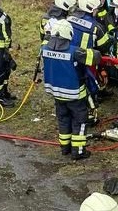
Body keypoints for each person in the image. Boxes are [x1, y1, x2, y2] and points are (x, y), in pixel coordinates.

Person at [42, 19, 100, 160]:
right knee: (79, 122)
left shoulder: (44, 49)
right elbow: (95, 58)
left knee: (63, 120)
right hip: (75, 95)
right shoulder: (74, 52)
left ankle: (65, 148)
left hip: (57, 94)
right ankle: (79, 152)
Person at [68, 0, 112, 123]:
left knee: (72, 85)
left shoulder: (68, 19)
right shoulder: (96, 27)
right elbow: (104, 47)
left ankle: (73, 110)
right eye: (96, 9)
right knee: (88, 86)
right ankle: (89, 114)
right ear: (90, 9)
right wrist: (112, 39)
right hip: (87, 62)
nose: (97, 11)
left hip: (69, 58)